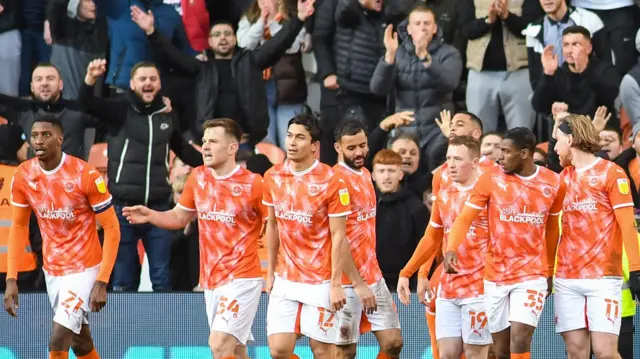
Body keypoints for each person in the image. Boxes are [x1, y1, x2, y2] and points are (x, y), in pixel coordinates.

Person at [122, 118, 264, 359]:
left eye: (213, 141)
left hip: (242, 278)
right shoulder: (198, 178)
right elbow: (179, 217)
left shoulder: (254, 184)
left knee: (218, 345)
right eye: (204, 141)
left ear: (232, 148)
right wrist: (151, 215)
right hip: (211, 279)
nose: (206, 147)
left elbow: (275, 224)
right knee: (236, 351)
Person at [79, 59, 203, 292]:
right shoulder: (119, 109)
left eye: (153, 79)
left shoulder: (168, 114)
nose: (148, 83)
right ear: (132, 84)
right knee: (123, 280)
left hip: (158, 208)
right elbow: (86, 104)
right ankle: (125, 329)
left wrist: (211, 165)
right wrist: (90, 78)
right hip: (123, 208)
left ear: (159, 84)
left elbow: (183, 150)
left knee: (162, 278)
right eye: (142, 79)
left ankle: (161, 328)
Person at [3, 115, 120, 359]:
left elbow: (111, 228)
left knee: (58, 338)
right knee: (81, 342)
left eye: (46, 135)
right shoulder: (24, 175)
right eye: (35, 136)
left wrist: (102, 280)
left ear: (60, 139)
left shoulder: (83, 173)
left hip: (84, 268)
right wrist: (11, 278)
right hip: (53, 270)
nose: (39, 141)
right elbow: (19, 227)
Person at [443, 127, 565, 359]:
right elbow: (465, 218)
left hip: (531, 274)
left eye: (506, 151)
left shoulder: (554, 183)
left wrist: (549, 270)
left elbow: (552, 229)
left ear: (525, 154)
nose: (498, 157)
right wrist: (451, 248)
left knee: (520, 338)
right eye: (499, 150)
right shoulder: (490, 180)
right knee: (500, 350)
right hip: (496, 275)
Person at [262, 114, 375, 359]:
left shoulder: (332, 180)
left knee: (323, 351)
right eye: (290, 135)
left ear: (314, 146)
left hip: (321, 280)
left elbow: (339, 235)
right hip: (286, 277)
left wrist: (336, 283)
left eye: (300, 137)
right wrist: (270, 272)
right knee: (278, 350)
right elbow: (272, 226)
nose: (292, 142)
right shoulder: (273, 176)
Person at [131, 0, 315, 147]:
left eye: (227, 34)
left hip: (245, 141)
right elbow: (171, 54)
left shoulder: (250, 61)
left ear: (235, 39)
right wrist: (151, 31)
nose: (223, 38)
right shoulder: (201, 67)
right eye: (217, 35)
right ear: (209, 42)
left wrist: (298, 19)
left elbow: (278, 44)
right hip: (212, 143)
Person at [552, 114, 640, 359]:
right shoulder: (562, 179)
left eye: (557, 140)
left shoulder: (611, 173)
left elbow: (627, 225)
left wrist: (636, 269)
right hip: (567, 279)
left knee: (604, 353)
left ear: (570, 139)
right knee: (576, 352)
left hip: (603, 277)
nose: (555, 147)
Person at [398, 135, 491, 359]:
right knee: (447, 354)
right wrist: (406, 272)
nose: (450, 164)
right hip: (449, 286)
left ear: (476, 163)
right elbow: (432, 236)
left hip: (481, 286)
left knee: (475, 354)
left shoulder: (490, 193)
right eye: (449, 158)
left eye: (458, 159)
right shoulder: (444, 194)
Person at [332, 120, 402, 359]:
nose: (359, 152)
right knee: (345, 352)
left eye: (363, 145)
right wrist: (358, 284)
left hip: (373, 274)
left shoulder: (364, 174)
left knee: (393, 343)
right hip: (346, 280)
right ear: (338, 148)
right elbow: (337, 238)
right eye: (351, 148)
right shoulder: (335, 181)